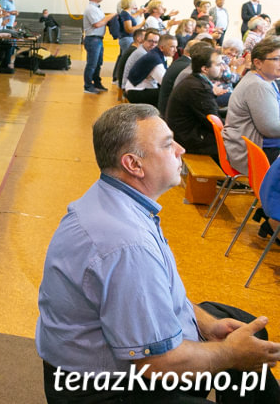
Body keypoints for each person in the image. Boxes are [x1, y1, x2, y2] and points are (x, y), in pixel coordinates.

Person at [37, 103, 280, 403]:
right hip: (102, 389)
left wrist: (205, 324)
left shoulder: (117, 201)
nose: (180, 150)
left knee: (243, 330)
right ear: (133, 165)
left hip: (116, 364)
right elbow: (154, 364)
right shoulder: (127, 243)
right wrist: (229, 354)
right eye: (167, 144)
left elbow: (162, 291)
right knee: (240, 353)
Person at [222, 36, 280, 174]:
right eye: (277, 59)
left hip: (253, 147)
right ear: (258, 63)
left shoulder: (265, 80)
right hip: (253, 154)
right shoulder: (258, 85)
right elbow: (271, 129)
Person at [165, 44, 223, 158]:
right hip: (187, 139)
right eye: (219, 64)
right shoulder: (198, 88)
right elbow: (213, 122)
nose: (223, 68)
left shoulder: (195, 81)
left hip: (184, 133)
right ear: (205, 69)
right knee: (233, 145)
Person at [82, 0, 116, 94]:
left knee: (98, 63)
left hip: (98, 39)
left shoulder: (97, 8)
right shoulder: (90, 9)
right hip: (92, 39)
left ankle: (96, 82)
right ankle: (87, 86)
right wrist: (109, 17)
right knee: (92, 64)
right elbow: (97, 24)